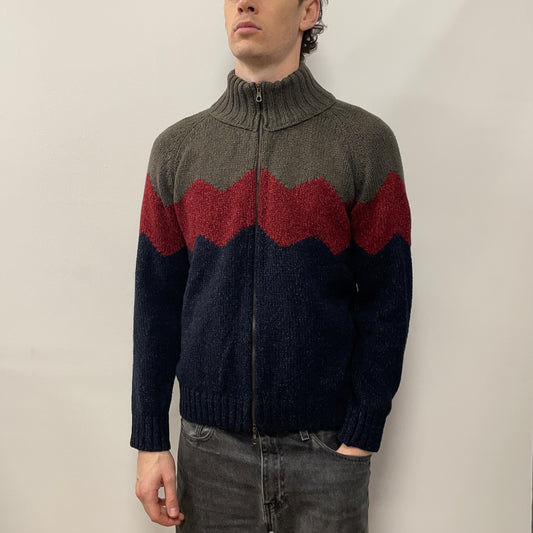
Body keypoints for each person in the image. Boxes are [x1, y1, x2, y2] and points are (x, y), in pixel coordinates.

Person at [130, 0, 412, 531]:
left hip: (327, 453)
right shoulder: (176, 150)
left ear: (308, 11)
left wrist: (361, 434)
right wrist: (149, 439)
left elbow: (387, 302)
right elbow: (155, 306)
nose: (244, 2)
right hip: (209, 455)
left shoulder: (364, 143)